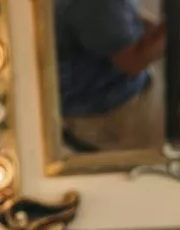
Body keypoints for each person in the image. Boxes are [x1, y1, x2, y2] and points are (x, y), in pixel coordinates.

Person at [55, 0, 166, 152]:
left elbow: (124, 18)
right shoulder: (101, 5)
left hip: (111, 88)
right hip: (106, 110)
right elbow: (133, 63)